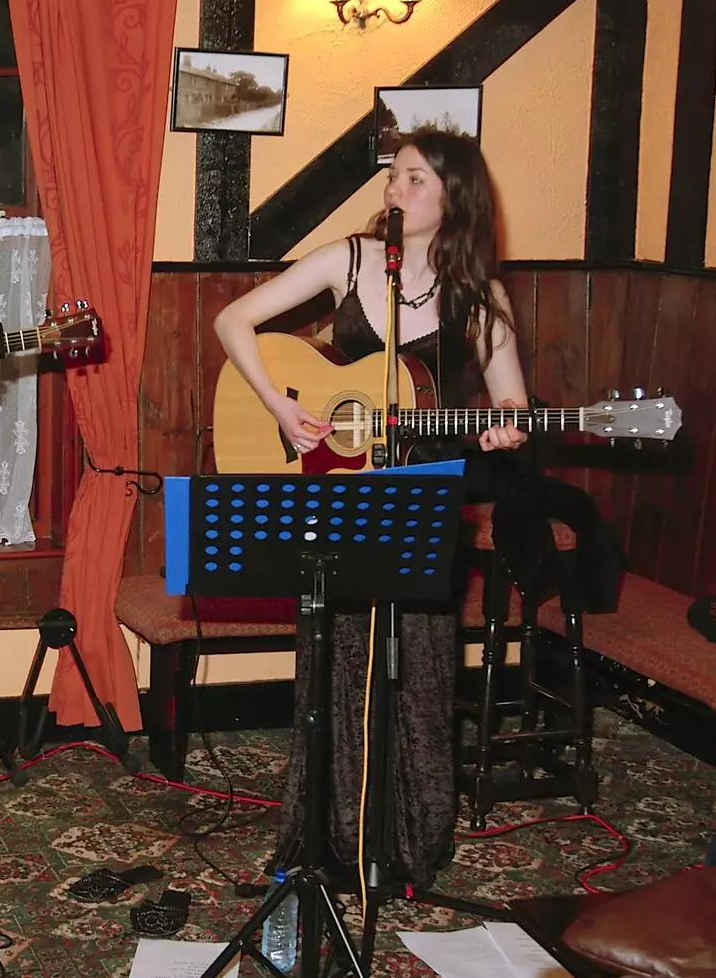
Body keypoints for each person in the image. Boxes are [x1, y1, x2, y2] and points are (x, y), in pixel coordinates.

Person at [212, 130, 528, 889]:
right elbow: (233, 322)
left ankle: (407, 842)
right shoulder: (347, 260)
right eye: (394, 178)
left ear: (454, 196)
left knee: (416, 669)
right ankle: (325, 837)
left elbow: (511, 390)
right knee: (336, 663)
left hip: (422, 497)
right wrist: (282, 413)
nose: (395, 191)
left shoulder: (478, 293)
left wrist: (508, 420)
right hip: (337, 489)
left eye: (415, 180)